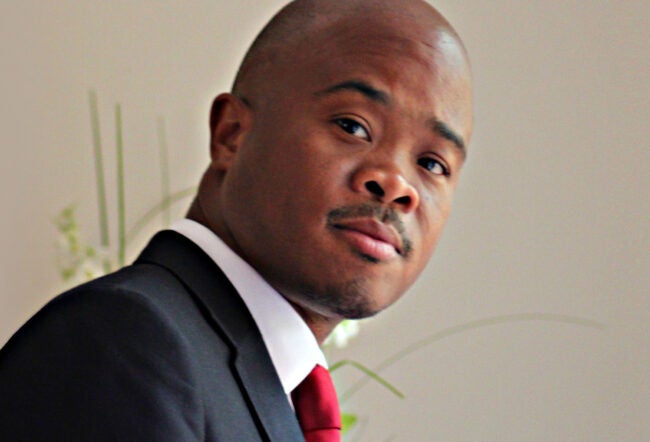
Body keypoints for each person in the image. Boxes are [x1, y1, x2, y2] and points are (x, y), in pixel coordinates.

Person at [0, 0, 472, 440]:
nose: (396, 184)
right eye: (352, 125)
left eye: (433, 163)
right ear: (232, 135)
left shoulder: (268, 390)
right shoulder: (122, 342)